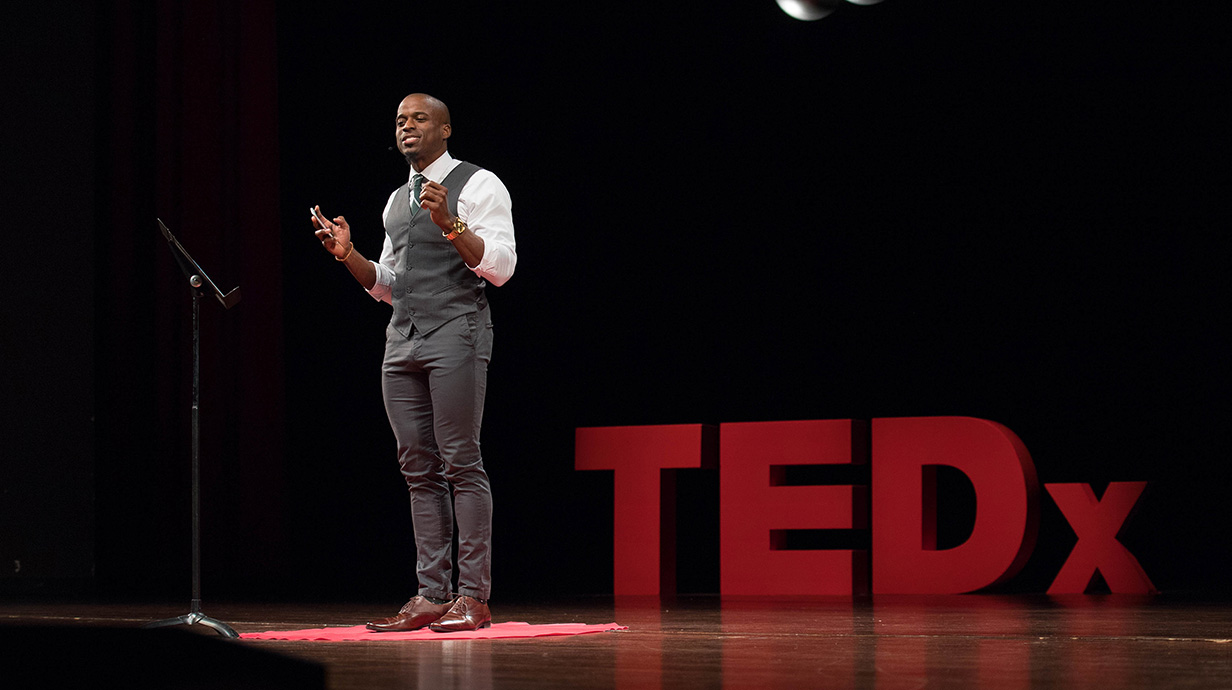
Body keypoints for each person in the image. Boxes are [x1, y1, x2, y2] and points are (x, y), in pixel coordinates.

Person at [312, 92, 516, 632]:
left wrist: (450, 222)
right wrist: (349, 255)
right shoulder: (395, 201)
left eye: (420, 119)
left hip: (457, 331)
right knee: (417, 467)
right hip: (401, 340)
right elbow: (391, 283)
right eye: (400, 120)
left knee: (461, 461)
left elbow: (499, 268)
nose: (407, 127)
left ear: (445, 129)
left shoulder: (478, 184)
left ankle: (472, 597)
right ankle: (431, 594)